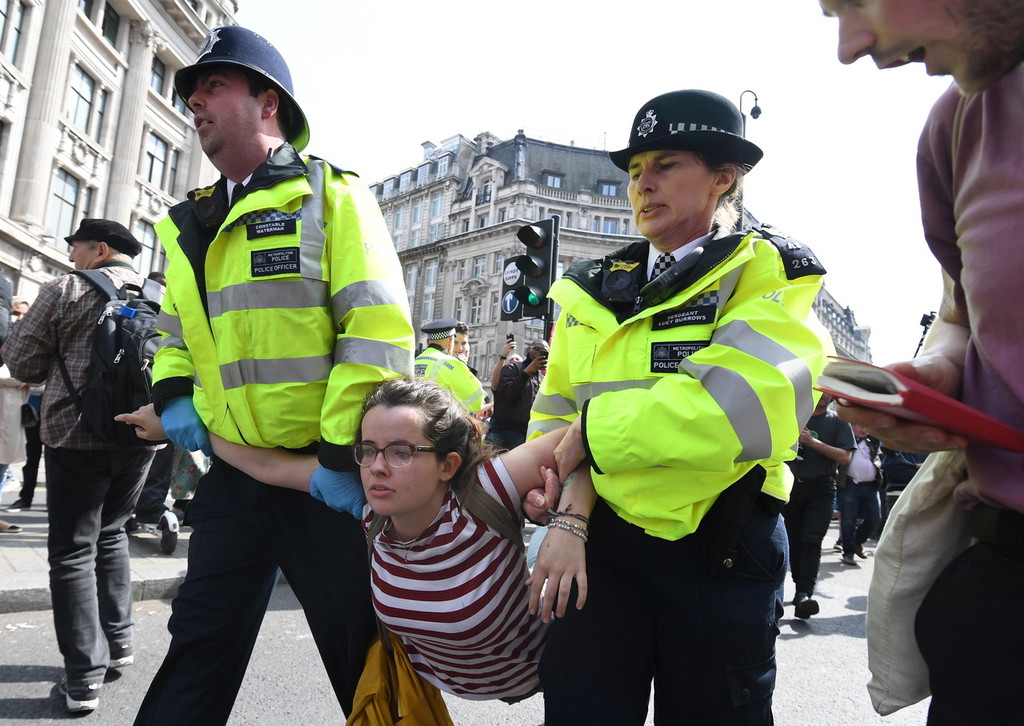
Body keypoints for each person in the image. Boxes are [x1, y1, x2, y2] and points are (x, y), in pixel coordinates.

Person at [134, 26, 415, 725]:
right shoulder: (191, 224)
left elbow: (377, 336)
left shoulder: (333, 197)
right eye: (192, 91)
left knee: (363, 659)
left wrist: (340, 458)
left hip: (327, 483)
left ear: (268, 103)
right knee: (199, 643)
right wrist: (172, 394)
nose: (194, 99)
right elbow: (175, 331)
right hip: (234, 483)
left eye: (213, 85)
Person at [528, 89, 829, 724]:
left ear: (724, 177)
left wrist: (588, 438)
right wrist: (565, 511)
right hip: (596, 544)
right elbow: (554, 419)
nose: (644, 184)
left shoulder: (770, 269)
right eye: (636, 170)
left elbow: (736, 410)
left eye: (666, 164)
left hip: (721, 542)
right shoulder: (587, 287)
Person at [118, 378, 595, 701]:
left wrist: (569, 521)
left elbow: (585, 436)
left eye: (402, 452)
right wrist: (182, 424)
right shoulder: (368, 511)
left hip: (543, 679)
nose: (378, 467)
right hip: (433, 691)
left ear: (448, 465)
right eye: (367, 450)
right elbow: (266, 466)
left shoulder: (489, 489)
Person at [820, 1, 1024, 721]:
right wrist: (943, 369)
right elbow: (960, 309)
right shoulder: (958, 120)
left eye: (853, 2)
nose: (851, 45)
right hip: (1004, 591)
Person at [1, 218, 158, 713]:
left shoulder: (64, 289)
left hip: (74, 436)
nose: (70, 256)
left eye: (76, 247)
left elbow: (22, 365)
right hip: (139, 436)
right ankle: (121, 643)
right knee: (112, 534)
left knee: (72, 551)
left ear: (100, 250)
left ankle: (83, 677)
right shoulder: (160, 294)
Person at [784, 394, 855, 616]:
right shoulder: (792, 417)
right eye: (820, 390)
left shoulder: (838, 421)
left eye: (829, 392)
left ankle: (805, 593)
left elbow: (845, 457)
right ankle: (798, 588)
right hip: (790, 486)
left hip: (822, 488)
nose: (825, 395)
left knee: (812, 540)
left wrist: (812, 442)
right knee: (793, 540)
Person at [414, 318, 485, 414]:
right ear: (450, 341)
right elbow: (477, 402)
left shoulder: (416, 360)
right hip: (439, 422)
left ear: (428, 341)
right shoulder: (451, 363)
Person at [488, 338, 548, 450]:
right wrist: (526, 373)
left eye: (544, 352)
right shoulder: (512, 368)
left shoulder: (543, 378)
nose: (539, 354)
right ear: (528, 350)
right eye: (537, 349)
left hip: (529, 430)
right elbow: (507, 396)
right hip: (507, 429)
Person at [839, 423, 881, 566]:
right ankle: (848, 553)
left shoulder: (872, 442)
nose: (864, 429)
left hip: (870, 486)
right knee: (849, 520)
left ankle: (857, 542)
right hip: (850, 485)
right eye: (860, 426)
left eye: (866, 426)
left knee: (875, 518)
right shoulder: (847, 441)